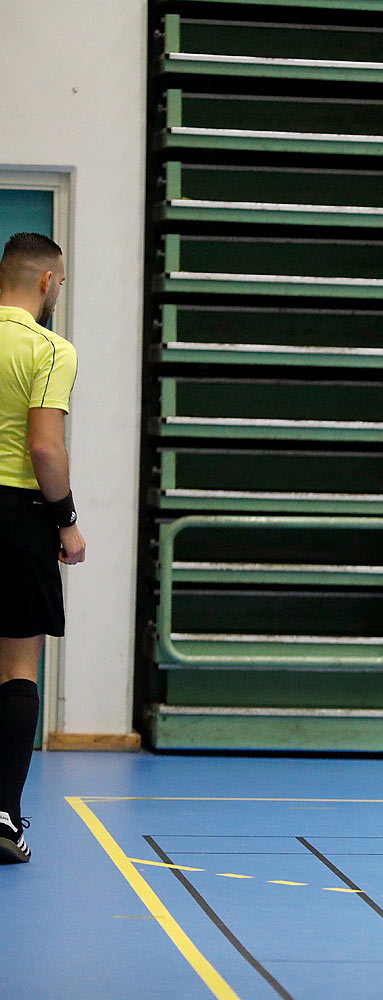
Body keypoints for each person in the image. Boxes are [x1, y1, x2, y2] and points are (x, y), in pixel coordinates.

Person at [0, 233, 84, 863]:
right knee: (16, 669)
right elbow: (45, 449)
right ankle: (4, 817)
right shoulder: (50, 350)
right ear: (48, 283)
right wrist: (67, 522)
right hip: (17, 519)